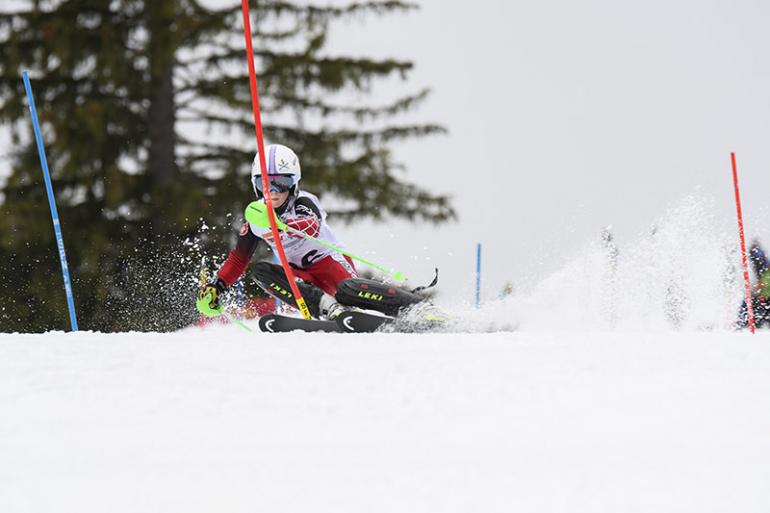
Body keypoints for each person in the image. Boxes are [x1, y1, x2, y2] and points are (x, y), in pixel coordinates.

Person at [196, 143, 426, 321]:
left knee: (348, 289)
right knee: (260, 271)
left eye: (282, 183)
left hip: (328, 263)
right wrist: (218, 287)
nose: (274, 191)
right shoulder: (256, 217)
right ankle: (327, 307)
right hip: (299, 274)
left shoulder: (303, 201)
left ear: (294, 183)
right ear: (256, 185)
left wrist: (282, 225)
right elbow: (238, 259)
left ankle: (415, 307)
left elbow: (312, 225)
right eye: (266, 184)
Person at [737, 240, 770, 329]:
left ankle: (743, 323)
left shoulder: (765, 268)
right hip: (761, 296)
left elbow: (763, 282)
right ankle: (743, 323)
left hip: (765, 297)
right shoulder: (760, 265)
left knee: (752, 305)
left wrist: (760, 286)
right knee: (749, 303)